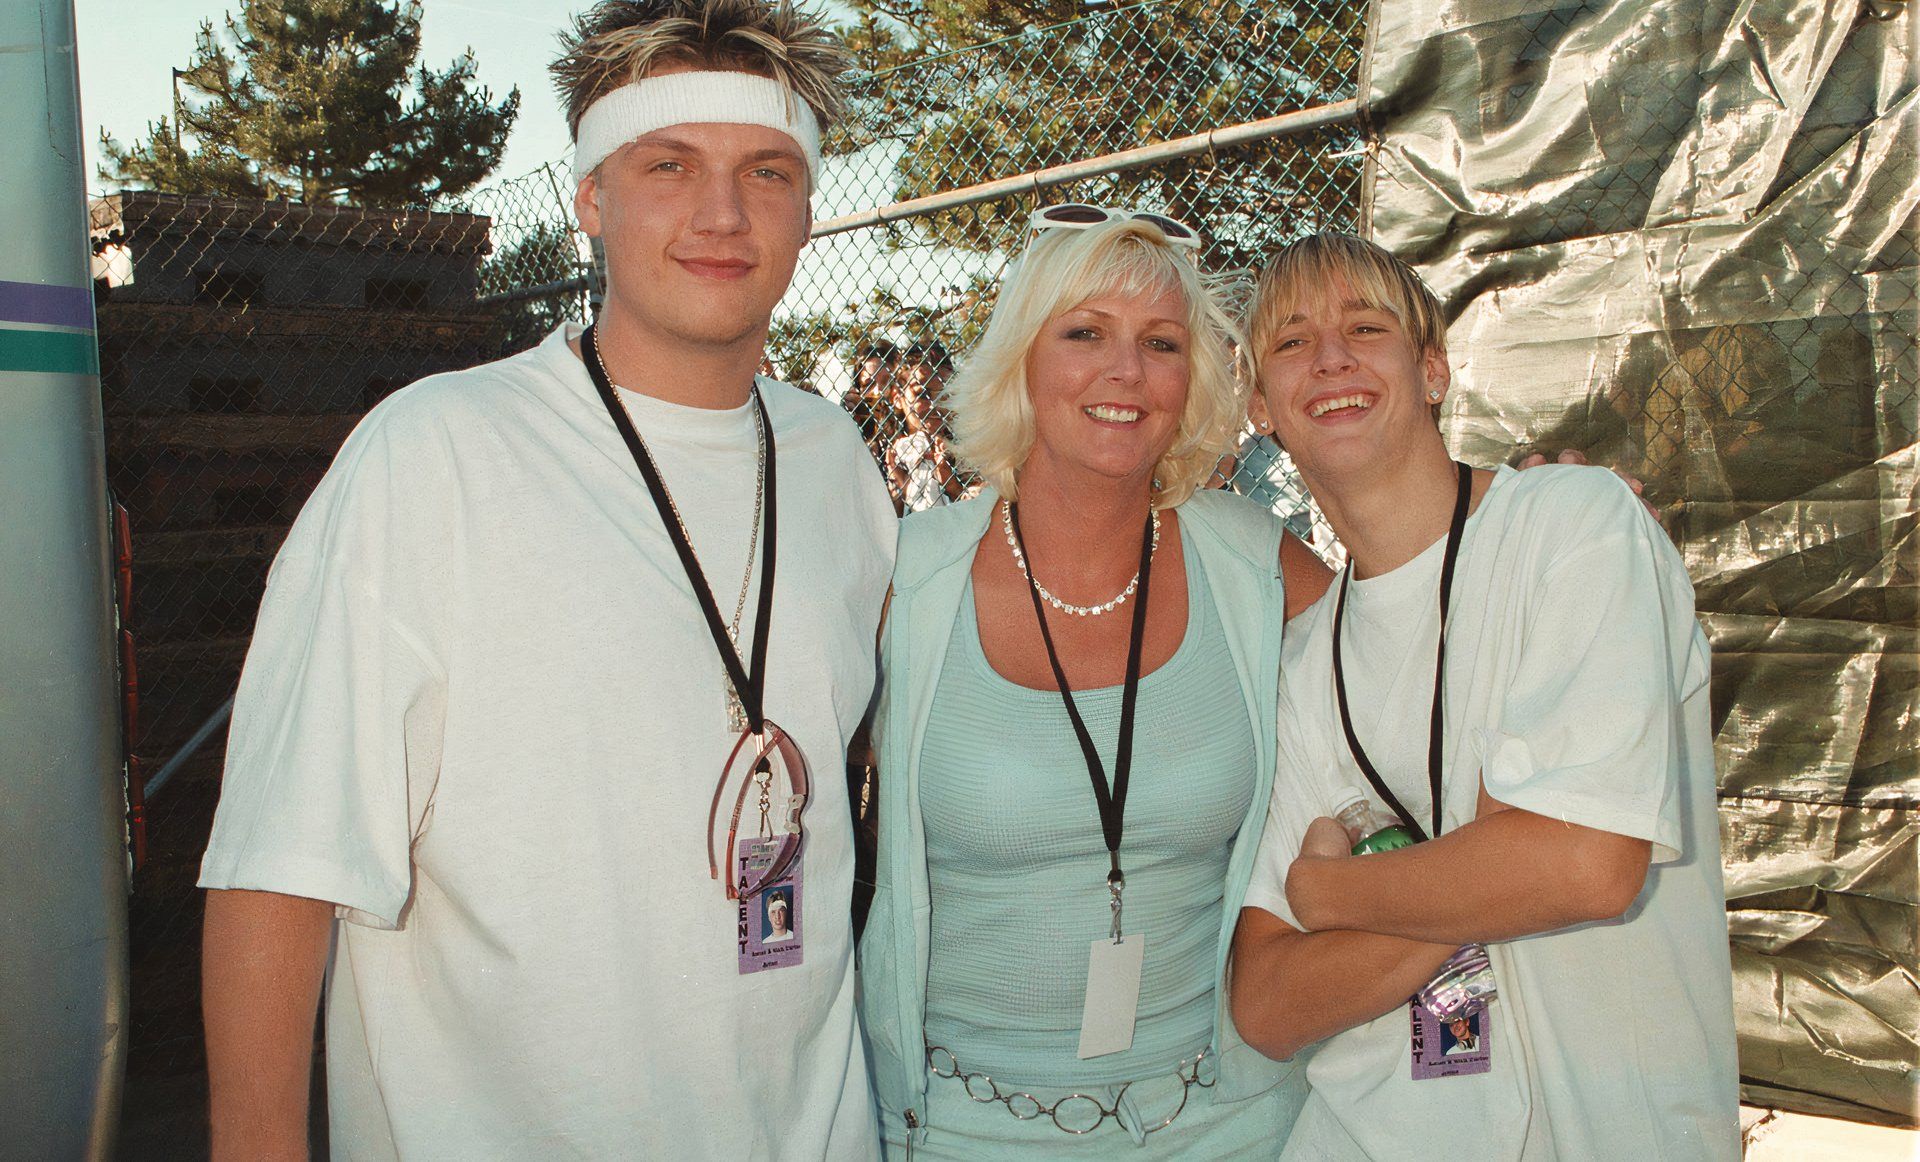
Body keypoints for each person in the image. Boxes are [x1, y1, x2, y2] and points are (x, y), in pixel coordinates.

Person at [196, 3, 893, 1158]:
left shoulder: (838, 467)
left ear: (809, 209)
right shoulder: (436, 455)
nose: (722, 213)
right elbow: (280, 865)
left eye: (767, 171)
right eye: (669, 165)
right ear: (589, 198)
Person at [1229, 232, 1740, 1160]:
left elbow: (1586, 864)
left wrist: (1334, 890)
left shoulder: (1576, 524)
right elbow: (1267, 1001)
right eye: (1292, 341)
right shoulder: (1306, 656)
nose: (1332, 356)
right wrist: (1486, 865)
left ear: (1432, 370)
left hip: (1613, 1133)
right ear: (1261, 406)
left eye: (1366, 326)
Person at [859, 211, 1331, 1157]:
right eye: (1085, 333)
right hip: (964, 1125)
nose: (1126, 372)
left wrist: (1520, 536)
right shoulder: (902, 580)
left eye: (1161, 343)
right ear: (1019, 363)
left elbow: (1416, 658)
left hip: (1230, 1119)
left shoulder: (1253, 563)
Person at [885, 341, 964, 511]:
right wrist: (903, 489)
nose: (934, 404)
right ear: (897, 396)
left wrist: (952, 485)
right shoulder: (893, 453)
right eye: (922, 394)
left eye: (944, 394)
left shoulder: (969, 446)